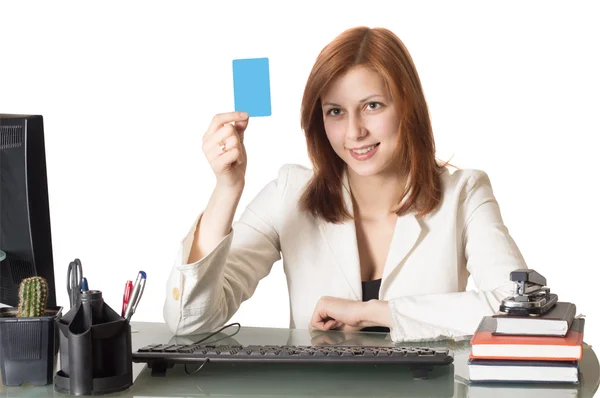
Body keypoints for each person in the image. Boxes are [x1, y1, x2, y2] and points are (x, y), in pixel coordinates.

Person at [163, 26, 528, 342]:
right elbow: (188, 322)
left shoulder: (464, 195)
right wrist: (227, 189)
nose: (354, 132)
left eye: (372, 106)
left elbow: (522, 310)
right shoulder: (289, 193)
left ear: (408, 106)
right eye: (335, 111)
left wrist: (378, 313)